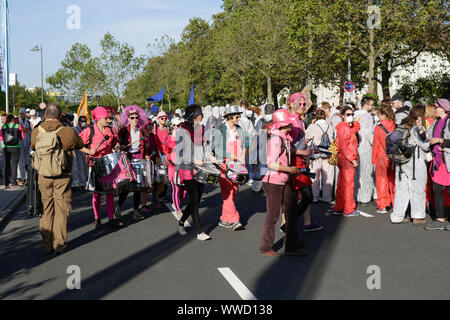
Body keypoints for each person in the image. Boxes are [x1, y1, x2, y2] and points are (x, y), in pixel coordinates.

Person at [30, 104, 92, 255]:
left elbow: (33, 147)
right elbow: (79, 145)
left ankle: (46, 245)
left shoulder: (37, 131)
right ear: (60, 116)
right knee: (61, 210)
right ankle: (59, 244)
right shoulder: (67, 131)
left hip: (43, 176)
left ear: (44, 115)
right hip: (62, 176)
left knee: (45, 210)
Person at [260, 109, 308, 256]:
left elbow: (289, 151)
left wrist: (304, 153)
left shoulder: (283, 137)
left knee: (292, 212)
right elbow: (270, 163)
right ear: (284, 124)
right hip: (274, 181)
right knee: (273, 215)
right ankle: (266, 248)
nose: (292, 124)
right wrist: (289, 169)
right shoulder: (276, 139)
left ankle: (291, 246)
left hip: (283, 178)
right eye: (289, 122)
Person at [79, 106, 124, 230]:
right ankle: (97, 218)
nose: (108, 120)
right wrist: (88, 150)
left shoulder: (110, 130)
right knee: (97, 194)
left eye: (109, 117)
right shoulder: (90, 130)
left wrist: (118, 146)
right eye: (106, 118)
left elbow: (115, 142)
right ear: (98, 118)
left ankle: (111, 219)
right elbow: (77, 144)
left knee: (110, 192)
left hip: (109, 163)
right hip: (95, 164)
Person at [390, 105, 430, 226]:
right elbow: (425, 145)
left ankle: (398, 215)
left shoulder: (403, 124)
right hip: (415, 162)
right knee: (417, 189)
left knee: (401, 189)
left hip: (401, 161)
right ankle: (418, 216)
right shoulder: (416, 128)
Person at [176, 104, 211, 241]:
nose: (202, 115)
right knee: (195, 199)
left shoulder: (200, 128)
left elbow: (202, 147)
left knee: (195, 200)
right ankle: (199, 231)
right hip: (186, 168)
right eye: (200, 113)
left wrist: (209, 156)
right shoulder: (181, 131)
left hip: (199, 168)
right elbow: (180, 154)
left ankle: (181, 221)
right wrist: (193, 160)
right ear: (193, 116)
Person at [286, 93, 320, 232]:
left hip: (301, 162)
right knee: (296, 196)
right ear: (291, 104)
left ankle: (306, 222)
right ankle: (288, 224)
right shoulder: (289, 120)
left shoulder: (300, 120)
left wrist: (309, 146)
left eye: (304, 104)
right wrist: (303, 152)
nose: (303, 106)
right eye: (299, 103)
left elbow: (300, 141)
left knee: (304, 195)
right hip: (292, 163)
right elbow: (286, 145)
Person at [211, 105, 246, 231]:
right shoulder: (220, 129)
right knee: (228, 192)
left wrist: (244, 155)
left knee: (234, 192)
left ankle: (224, 218)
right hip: (224, 165)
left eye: (239, 116)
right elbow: (216, 149)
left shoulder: (240, 130)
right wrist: (231, 155)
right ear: (229, 117)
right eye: (236, 116)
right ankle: (235, 219)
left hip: (238, 165)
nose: (238, 118)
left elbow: (245, 143)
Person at [116, 105, 153, 220]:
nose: (135, 120)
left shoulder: (142, 130)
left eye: (136, 117)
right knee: (127, 186)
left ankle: (136, 211)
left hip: (139, 157)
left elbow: (145, 145)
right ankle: (118, 208)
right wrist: (120, 146)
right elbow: (117, 143)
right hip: (128, 158)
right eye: (132, 118)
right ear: (128, 119)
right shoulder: (124, 130)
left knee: (138, 186)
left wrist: (147, 154)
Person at [425, 99, 450, 231]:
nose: (435, 108)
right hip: (438, 161)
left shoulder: (449, 121)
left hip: (448, 161)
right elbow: (427, 137)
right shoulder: (435, 122)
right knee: (437, 190)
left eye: (437, 106)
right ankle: (440, 220)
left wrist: (440, 141)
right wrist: (420, 129)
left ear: (444, 108)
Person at [332, 106, 361, 217]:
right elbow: (344, 146)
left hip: (344, 159)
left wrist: (355, 124)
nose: (350, 116)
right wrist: (352, 159)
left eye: (352, 114)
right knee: (348, 185)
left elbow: (352, 132)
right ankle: (349, 209)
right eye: (348, 114)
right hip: (347, 159)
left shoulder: (344, 127)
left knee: (342, 184)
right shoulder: (344, 128)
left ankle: (339, 207)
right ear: (342, 116)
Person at [305, 110, 335, 204]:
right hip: (327, 154)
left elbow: (307, 139)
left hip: (315, 153)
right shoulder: (330, 127)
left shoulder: (312, 127)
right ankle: (327, 197)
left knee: (314, 176)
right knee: (328, 176)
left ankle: (315, 196)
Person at [372, 107, 396, 214]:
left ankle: (383, 205)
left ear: (383, 115)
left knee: (382, 181)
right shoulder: (395, 125)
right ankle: (396, 203)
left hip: (382, 156)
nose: (378, 116)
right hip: (394, 156)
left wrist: (373, 159)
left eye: (379, 114)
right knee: (393, 181)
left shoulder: (379, 127)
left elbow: (376, 144)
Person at [354, 97, 376, 206]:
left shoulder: (354, 115)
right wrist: (375, 144)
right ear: (366, 104)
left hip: (356, 146)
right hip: (366, 146)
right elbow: (368, 132)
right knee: (366, 173)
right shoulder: (367, 116)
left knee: (358, 173)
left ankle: (357, 195)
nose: (372, 107)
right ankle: (366, 198)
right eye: (371, 105)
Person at [165, 117, 186, 219]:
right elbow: (168, 152)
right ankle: (177, 210)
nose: (178, 127)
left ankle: (176, 202)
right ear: (173, 126)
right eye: (176, 125)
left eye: (180, 125)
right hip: (173, 167)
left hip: (183, 167)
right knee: (176, 188)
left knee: (185, 189)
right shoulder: (169, 137)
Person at [0, 114, 24, 189]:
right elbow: (22, 137)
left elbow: (1, 138)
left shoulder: (4, 126)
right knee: (14, 165)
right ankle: (13, 183)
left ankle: (5, 183)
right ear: (14, 119)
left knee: (6, 165)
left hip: (6, 147)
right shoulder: (18, 126)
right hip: (16, 147)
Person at [155, 111, 170, 203]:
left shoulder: (168, 129)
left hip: (167, 154)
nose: (164, 120)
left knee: (167, 177)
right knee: (161, 176)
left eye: (165, 118)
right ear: (158, 119)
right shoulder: (155, 130)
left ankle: (163, 194)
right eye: (162, 118)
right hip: (159, 155)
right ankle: (159, 195)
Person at [71, 115, 89, 189]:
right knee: (78, 167)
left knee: (86, 167)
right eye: (82, 121)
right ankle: (78, 183)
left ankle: (85, 182)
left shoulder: (87, 129)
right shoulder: (74, 129)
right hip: (77, 150)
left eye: (85, 121)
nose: (83, 123)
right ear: (78, 121)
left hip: (85, 150)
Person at [17, 108, 32, 186]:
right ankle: (21, 177)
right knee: (20, 161)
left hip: (26, 144)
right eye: (20, 113)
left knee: (25, 161)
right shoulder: (16, 121)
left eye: (23, 113)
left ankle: (24, 177)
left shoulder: (28, 122)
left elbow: (30, 132)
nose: (22, 115)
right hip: (19, 143)